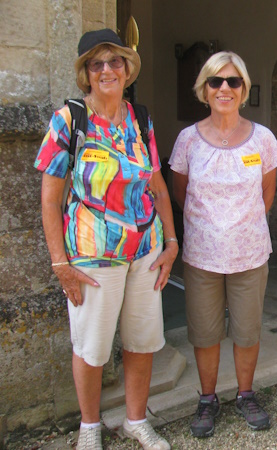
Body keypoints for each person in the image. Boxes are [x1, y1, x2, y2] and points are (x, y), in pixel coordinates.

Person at [34, 29, 175, 450]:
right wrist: (60, 262)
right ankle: (90, 428)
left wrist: (170, 243)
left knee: (142, 341)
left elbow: (158, 186)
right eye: (97, 64)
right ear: (86, 74)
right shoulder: (69, 120)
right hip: (93, 255)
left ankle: (136, 421)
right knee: (92, 346)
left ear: (128, 69)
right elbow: (50, 194)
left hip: (145, 250)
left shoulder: (141, 118)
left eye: (115, 62)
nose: (108, 70)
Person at [169, 51, 277, 438]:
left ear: (244, 90)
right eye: (216, 81)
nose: (224, 88)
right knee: (205, 332)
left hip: (249, 253)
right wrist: (211, 229)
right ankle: (207, 398)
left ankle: (246, 394)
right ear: (204, 89)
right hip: (202, 255)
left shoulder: (263, 139)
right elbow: (181, 194)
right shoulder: (187, 140)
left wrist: (240, 228)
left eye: (233, 81)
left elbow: (267, 194)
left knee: (247, 330)